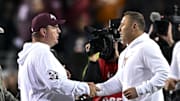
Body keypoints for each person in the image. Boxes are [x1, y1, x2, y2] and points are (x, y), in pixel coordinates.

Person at [17, 13, 97, 101]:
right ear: (44, 32)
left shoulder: (29, 54)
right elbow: (56, 85)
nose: (59, 31)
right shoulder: (41, 51)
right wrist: (85, 88)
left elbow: (45, 89)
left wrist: (61, 74)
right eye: (54, 27)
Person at [95, 11, 169, 101]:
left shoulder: (147, 46)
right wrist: (91, 90)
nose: (119, 29)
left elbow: (165, 74)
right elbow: (118, 82)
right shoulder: (125, 53)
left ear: (134, 27)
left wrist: (139, 90)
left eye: (122, 25)